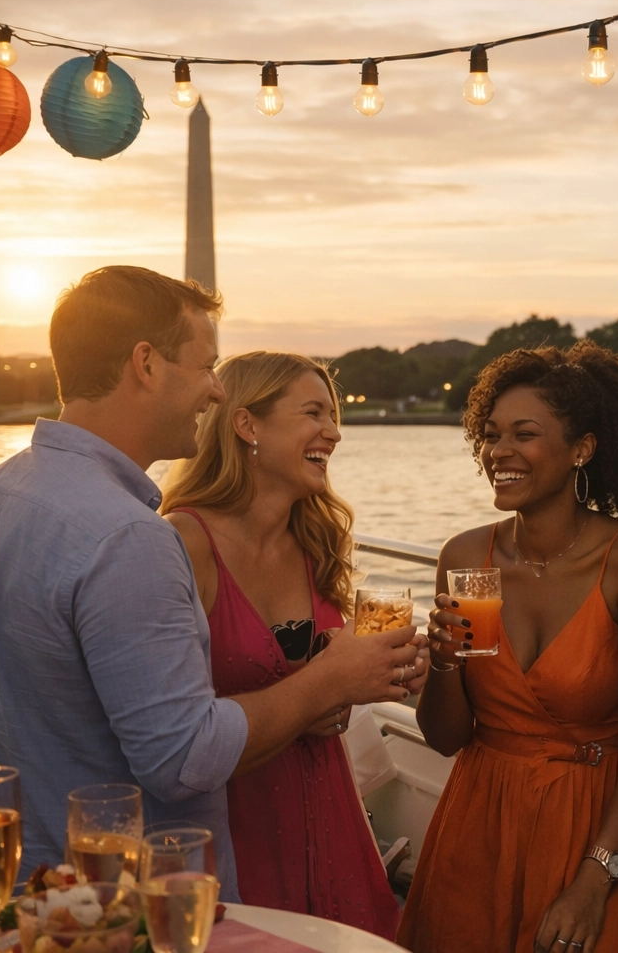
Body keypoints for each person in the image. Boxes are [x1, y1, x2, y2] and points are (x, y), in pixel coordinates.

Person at [0, 267, 421, 899]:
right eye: (205, 367)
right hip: (123, 904)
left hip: (19, 891)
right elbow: (184, 759)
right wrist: (332, 679)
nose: (216, 392)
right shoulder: (130, 536)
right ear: (146, 364)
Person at [399, 342, 618, 953]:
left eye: (523, 434)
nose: (498, 452)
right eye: (490, 434)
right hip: (480, 828)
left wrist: (595, 877)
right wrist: (446, 665)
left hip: (604, 826)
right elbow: (447, 737)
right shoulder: (463, 557)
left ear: (581, 448)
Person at [160, 351, 422, 938]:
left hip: (330, 813)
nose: (333, 431)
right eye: (313, 413)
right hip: (236, 826)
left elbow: (332, 688)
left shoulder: (317, 543)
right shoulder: (182, 543)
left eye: (334, 416)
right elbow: (170, 725)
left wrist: (389, 670)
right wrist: (321, 689)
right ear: (247, 424)